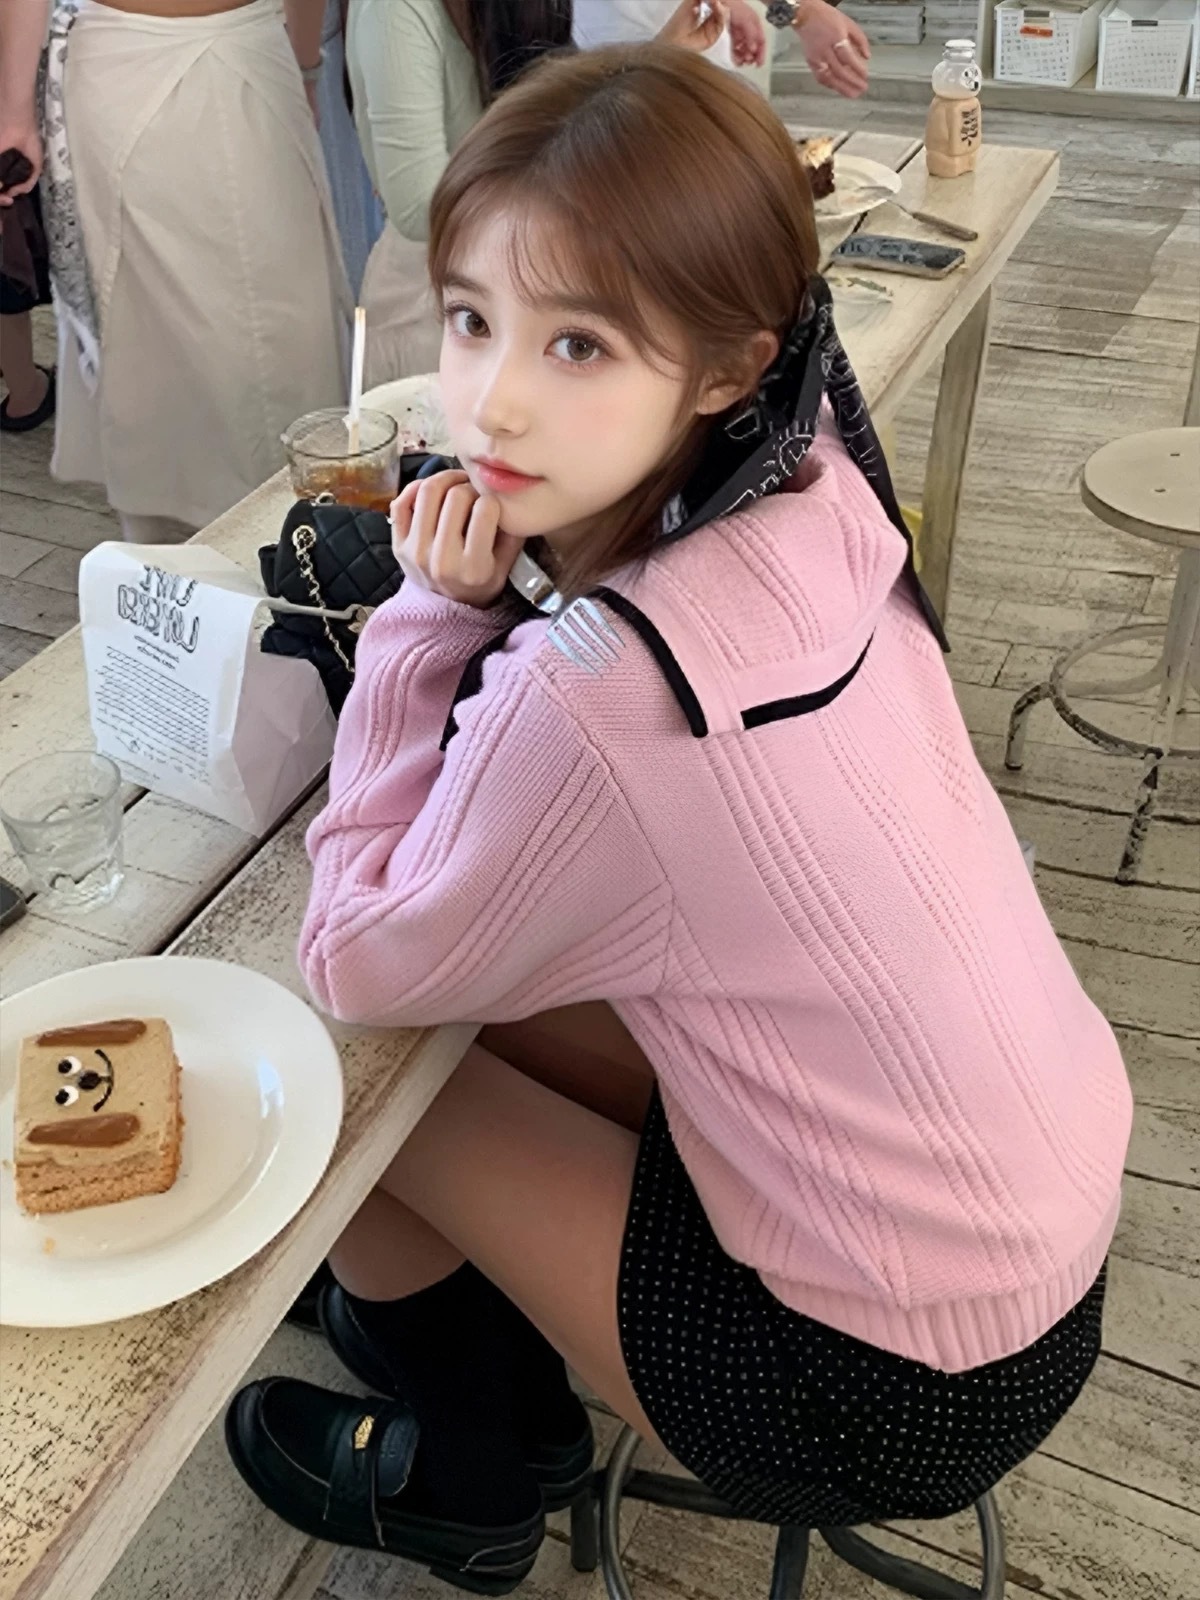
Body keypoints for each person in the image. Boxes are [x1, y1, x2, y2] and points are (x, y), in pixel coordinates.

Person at [225, 46, 1132, 1596]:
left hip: (880, 1387)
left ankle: (476, 1474)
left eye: (578, 343)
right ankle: (466, 1330)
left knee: (343, 1086)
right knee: (495, 1003)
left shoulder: (605, 685)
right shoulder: (815, 475)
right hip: (1034, 1241)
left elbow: (354, 959)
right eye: (471, 318)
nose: (494, 399)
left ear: (724, 364)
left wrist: (425, 618)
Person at [0, 0, 351, 544]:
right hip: (233, 57)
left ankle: (195, 558)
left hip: (140, 64)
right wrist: (304, 65)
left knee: (157, 340)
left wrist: (14, 112)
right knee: (265, 334)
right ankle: (299, 545)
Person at [346, 0, 734, 387]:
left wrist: (657, 57)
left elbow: (553, 117)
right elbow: (418, 205)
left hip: (519, 286)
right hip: (433, 301)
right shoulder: (397, 11)